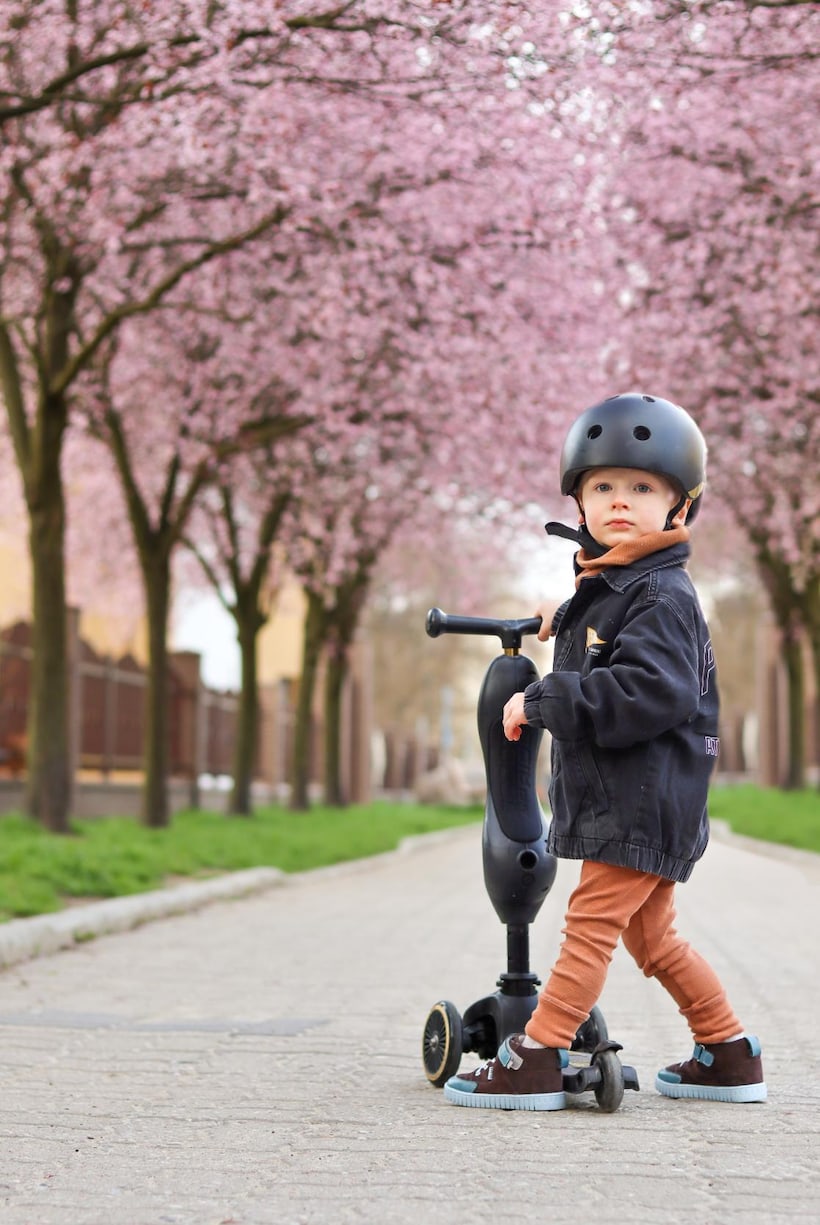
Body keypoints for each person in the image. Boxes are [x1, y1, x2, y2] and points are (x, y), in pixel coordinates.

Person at [444, 392, 766, 1112]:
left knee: (589, 926)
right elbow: (607, 628)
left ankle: (539, 1052)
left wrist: (546, 699)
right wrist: (572, 610)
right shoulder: (628, 584)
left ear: (679, 508)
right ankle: (729, 1052)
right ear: (580, 502)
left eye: (643, 488)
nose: (621, 501)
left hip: (637, 801)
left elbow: (647, 690)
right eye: (603, 487)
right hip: (648, 801)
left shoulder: (664, 595)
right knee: (654, 941)